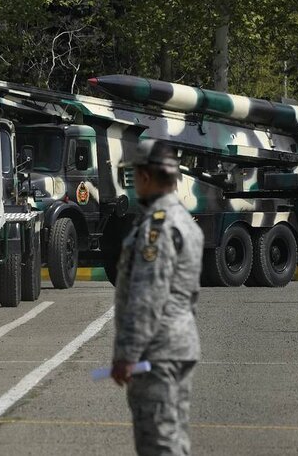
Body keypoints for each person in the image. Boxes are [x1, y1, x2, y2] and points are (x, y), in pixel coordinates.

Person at [111, 139, 203, 456]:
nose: (134, 182)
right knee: (174, 437)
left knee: (158, 443)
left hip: (157, 351)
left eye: (134, 175)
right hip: (180, 344)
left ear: (147, 177)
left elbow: (149, 293)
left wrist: (127, 353)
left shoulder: (157, 228)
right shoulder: (186, 223)